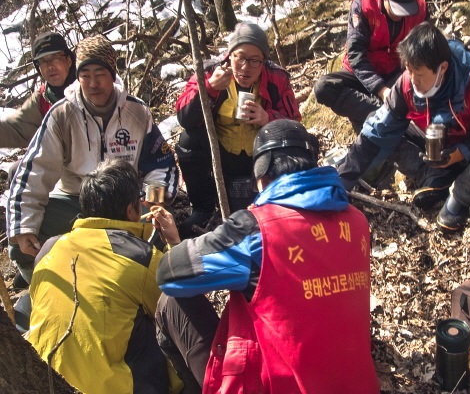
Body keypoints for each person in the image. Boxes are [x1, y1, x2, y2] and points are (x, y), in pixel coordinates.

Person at [153, 119, 379, 393]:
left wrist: (175, 242)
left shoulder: (256, 230)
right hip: (356, 384)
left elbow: (169, 273)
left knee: (170, 302)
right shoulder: (357, 222)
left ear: (261, 175)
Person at [6, 34, 179, 284]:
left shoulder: (136, 111)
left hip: (125, 203)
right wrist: (24, 227)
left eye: (100, 74)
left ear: (113, 75)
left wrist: (152, 201)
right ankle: (49, 293)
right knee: (20, 244)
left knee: (161, 239)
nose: (93, 83)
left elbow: (161, 165)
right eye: (85, 75)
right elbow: (35, 172)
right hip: (74, 201)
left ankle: (148, 297)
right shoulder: (61, 114)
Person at [338, 22, 470, 232]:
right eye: (408, 69)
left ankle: (459, 197)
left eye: (419, 74)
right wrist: (340, 180)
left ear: (442, 67)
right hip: (436, 150)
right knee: (379, 123)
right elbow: (377, 131)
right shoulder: (406, 85)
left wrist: (462, 152)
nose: (413, 79)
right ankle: (436, 176)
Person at [24, 159, 182, 394]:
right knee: (157, 318)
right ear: (131, 210)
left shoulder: (50, 248)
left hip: (42, 381)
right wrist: (174, 245)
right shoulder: (140, 257)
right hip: (114, 388)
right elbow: (179, 305)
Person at [175, 22, 300, 238]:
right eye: (240, 57)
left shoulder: (276, 78)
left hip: (259, 156)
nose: (245, 67)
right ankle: (202, 208)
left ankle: (279, 203)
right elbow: (184, 116)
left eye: (254, 61)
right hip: (220, 155)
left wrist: (268, 118)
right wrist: (210, 89)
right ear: (230, 55)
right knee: (188, 141)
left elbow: (296, 125)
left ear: (264, 61)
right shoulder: (210, 73)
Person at [314, 0, 429, 132]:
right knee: (324, 87)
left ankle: (383, 113)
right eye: (397, 9)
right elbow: (356, 55)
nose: (401, 15)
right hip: (360, 75)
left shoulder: (420, 9)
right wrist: (381, 91)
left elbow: (424, 49)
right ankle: (384, 111)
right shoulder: (364, 4)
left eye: (406, 10)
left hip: (396, 73)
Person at [0, 31, 75, 148]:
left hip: (98, 160)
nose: (50, 66)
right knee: (17, 167)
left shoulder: (88, 85)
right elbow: (15, 129)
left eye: (55, 58)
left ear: (68, 60)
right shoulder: (42, 98)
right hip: (62, 162)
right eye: (43, 61)